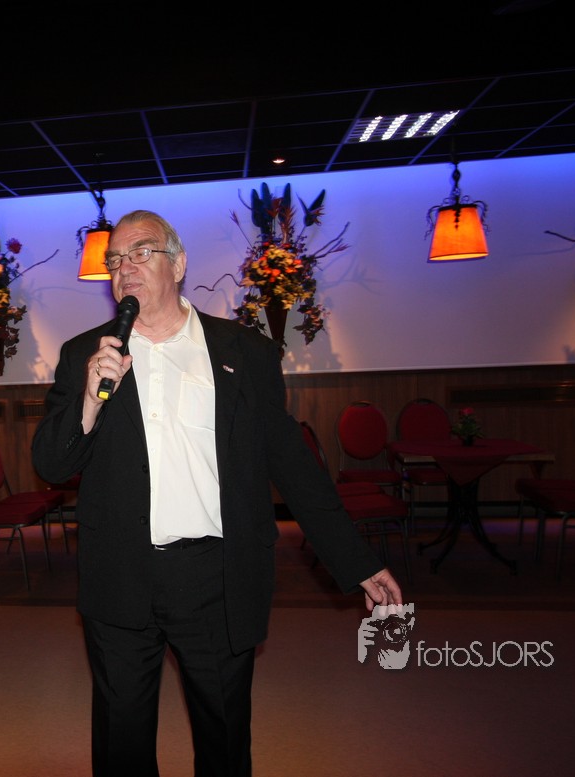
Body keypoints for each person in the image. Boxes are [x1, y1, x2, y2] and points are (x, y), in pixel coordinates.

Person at [31, 209, 403, 777]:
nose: (125, 268)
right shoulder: (86, 354)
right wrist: (89, 398)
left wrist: (356, 560)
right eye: (115, 260)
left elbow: (294, 465)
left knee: (224, 740)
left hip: (216, 578)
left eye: (141, 252)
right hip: (120, 574)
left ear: (178, 263)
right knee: (121, 744)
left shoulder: (244, 351)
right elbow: (52, 464)